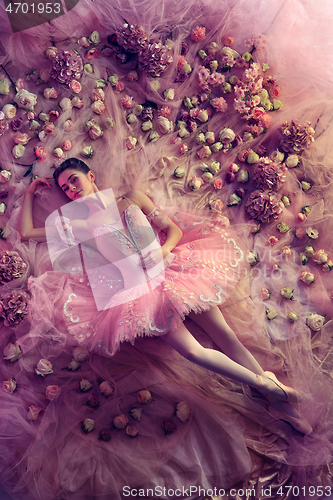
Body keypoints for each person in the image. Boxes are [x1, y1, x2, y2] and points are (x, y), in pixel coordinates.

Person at [17, 158, 312, 433]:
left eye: (74, 180)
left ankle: (281, 404)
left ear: (90, 176)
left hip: (175, 271)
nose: (71, 191)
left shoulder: (131, 197)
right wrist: (30, 193)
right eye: (66, 189)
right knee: (191, 351)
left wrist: (164, 249)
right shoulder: (79, 226)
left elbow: (171, 230)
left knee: (226, 335)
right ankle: (271, 389)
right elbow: (28, 232)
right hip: (138, 293)